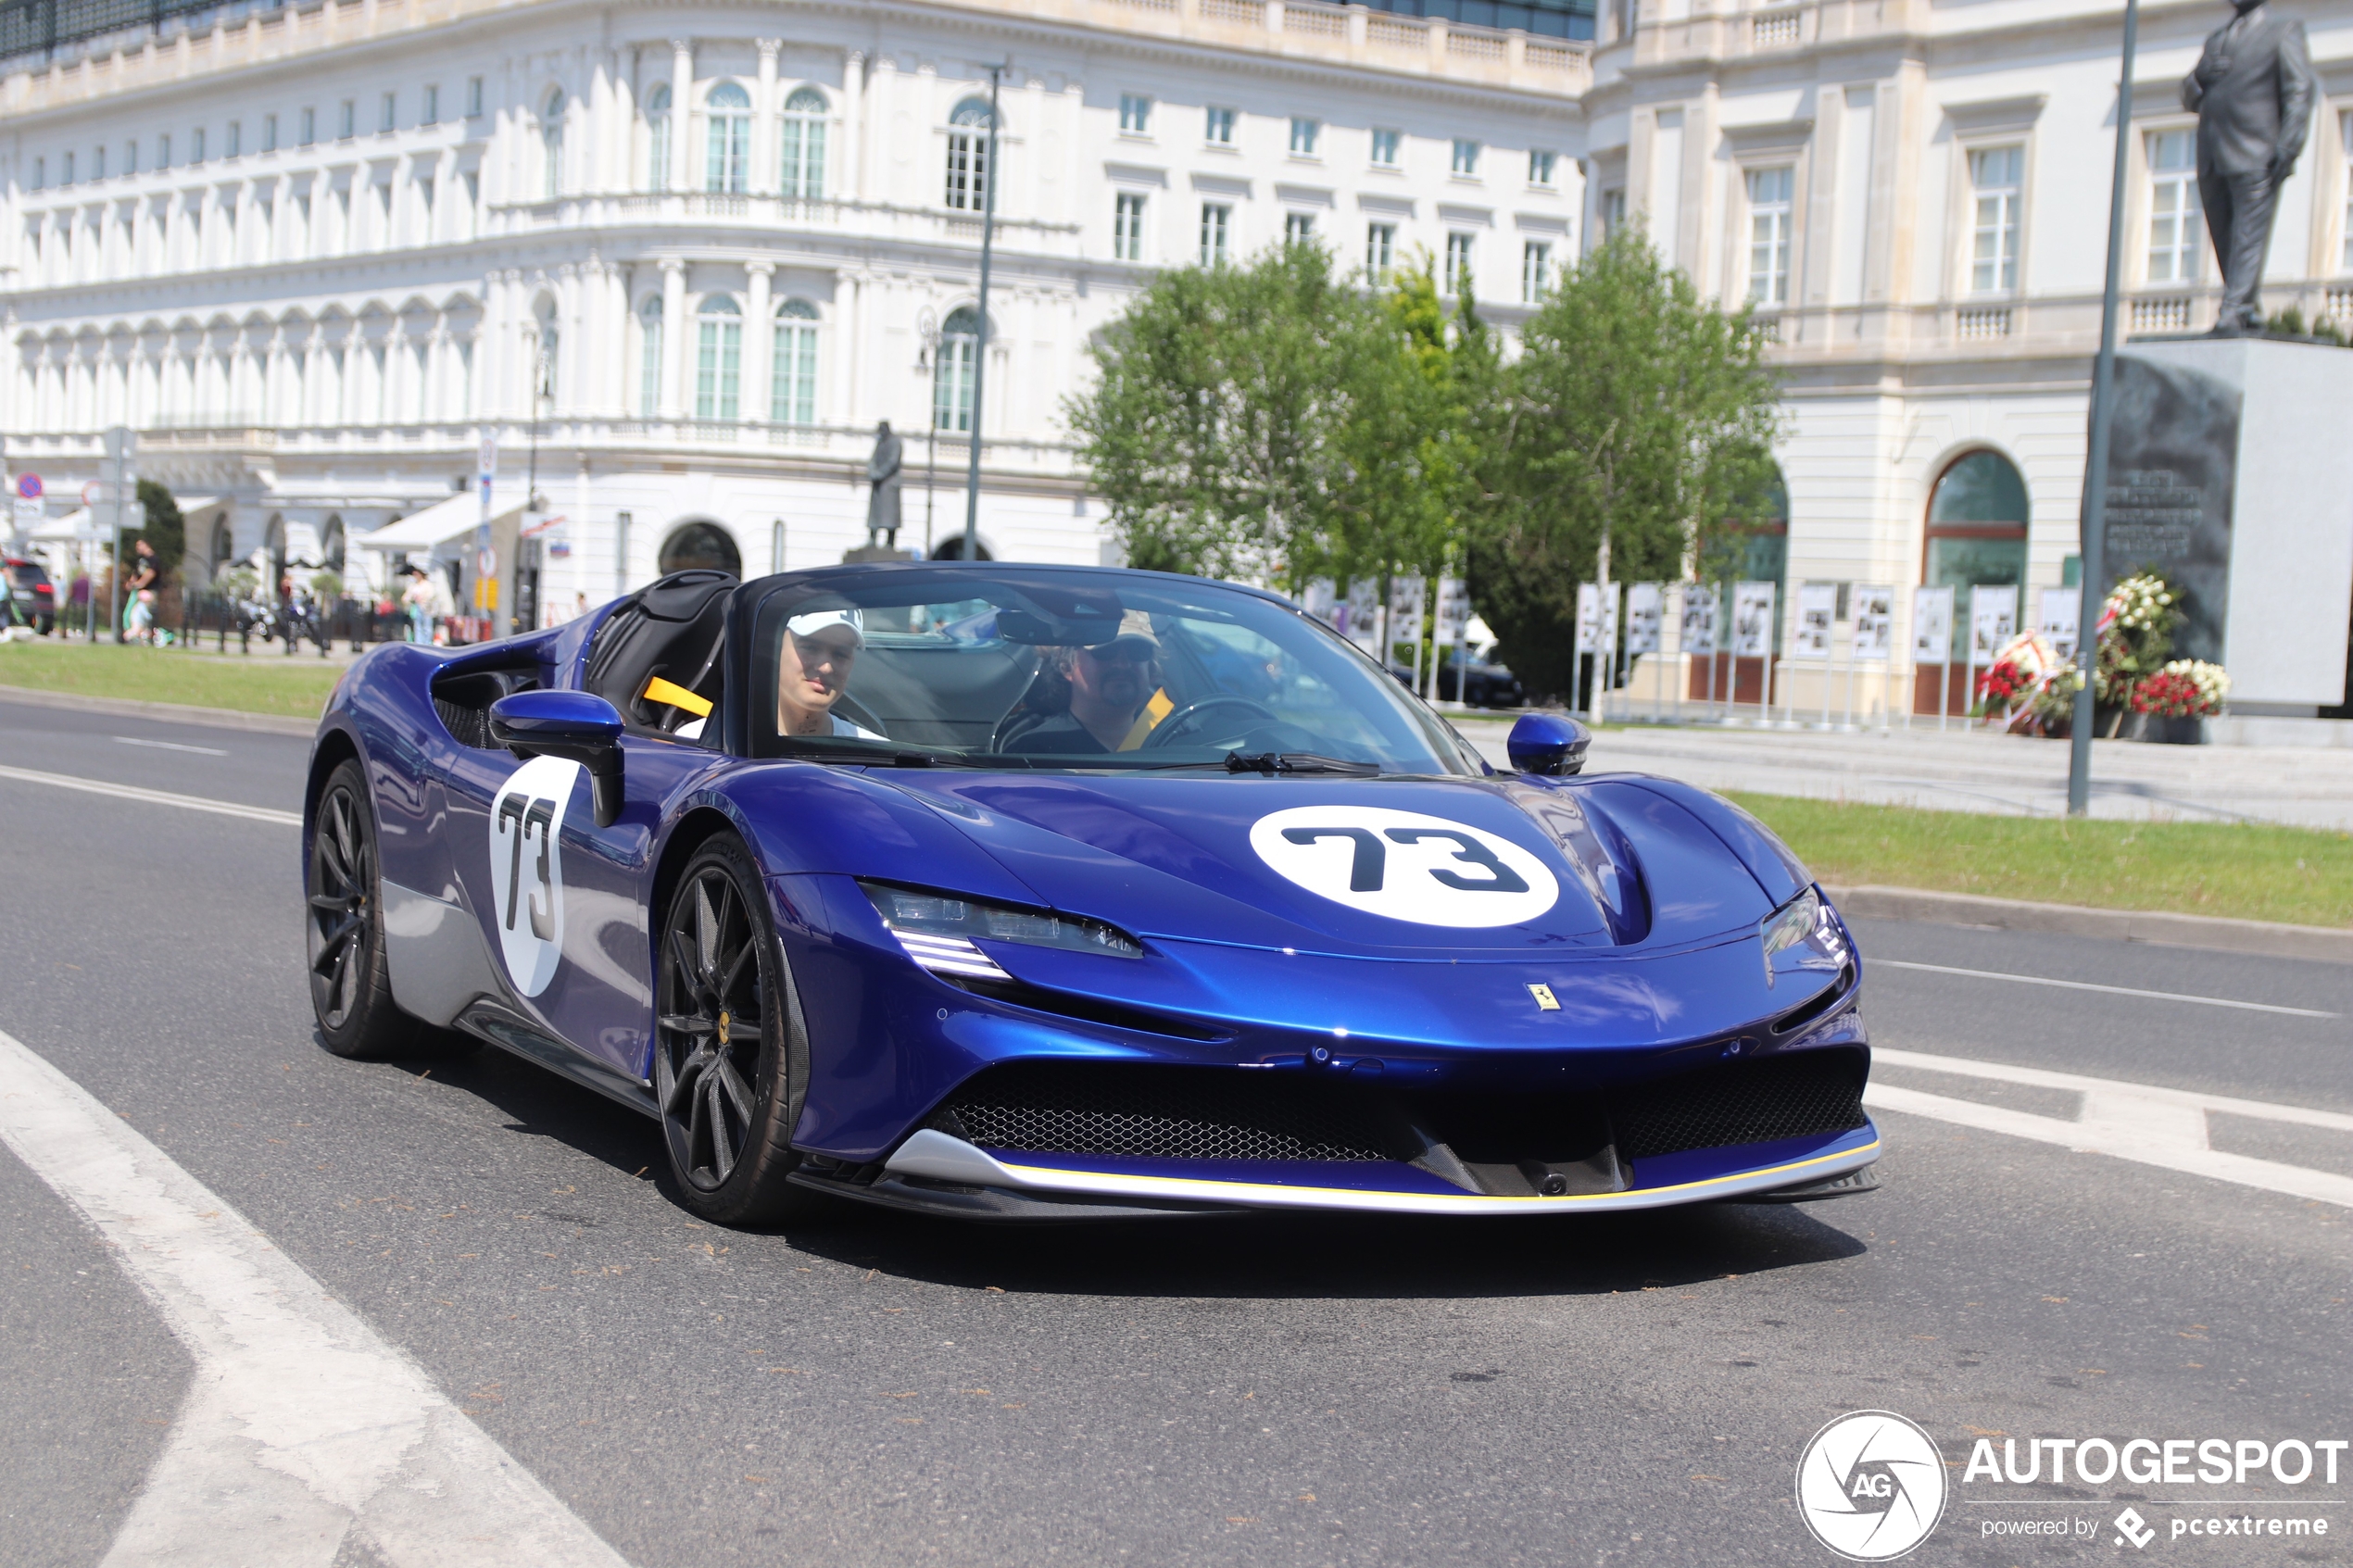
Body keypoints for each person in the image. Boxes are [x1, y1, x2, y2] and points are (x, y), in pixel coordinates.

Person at [1008, 615, 1164, 754]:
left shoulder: (1175, 742)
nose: (1123, 664)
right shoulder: (1033, 754)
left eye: (1138, 651)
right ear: (1067, 667)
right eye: (1106, 650)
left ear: (1151, 669)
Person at [774, 609, 886, 739]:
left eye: (840, 654)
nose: (826, 668)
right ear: (776, 649)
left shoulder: (874, 751)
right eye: (810, 648)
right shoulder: (745, 743)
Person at [121, 539, 160, 644]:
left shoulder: (153, 559)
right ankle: (133, 634)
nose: (137, 548)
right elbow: (136, 573)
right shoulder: (141, 560)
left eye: (140, 545)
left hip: (148, 592)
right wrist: (131, 583)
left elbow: (150, 573)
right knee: (131, 614)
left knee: (143, 615)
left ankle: (145, 636)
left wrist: (140, 583)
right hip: (138, 593)